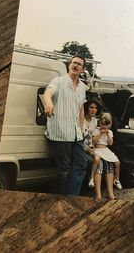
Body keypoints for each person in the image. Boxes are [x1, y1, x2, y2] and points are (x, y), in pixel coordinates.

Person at [42, 55, 89, 196]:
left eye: (79, 64)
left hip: (76, 135)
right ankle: (63, 197)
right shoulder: (59, 81)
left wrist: (80, 129)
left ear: (83, 69)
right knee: (64, 169)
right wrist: (49, 103)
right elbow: (48, 92)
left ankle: (71, 195)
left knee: (81, 164)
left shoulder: (82, 87)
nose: (75, 65)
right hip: (60, 134)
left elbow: (81, 108)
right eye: (73, 63)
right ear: (69, 65)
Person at [91, 113, 121, 200]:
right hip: (97, 149)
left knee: (110, 163)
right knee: (99, 163)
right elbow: (93, 142)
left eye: (106, 125)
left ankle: (111, 193)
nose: (104, 127)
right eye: (102, 124)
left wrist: (107, 134)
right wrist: (100, 134)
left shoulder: (110, 132)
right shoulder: (96, 130)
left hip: (106, 150)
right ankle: (98, 194)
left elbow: (110, 143)